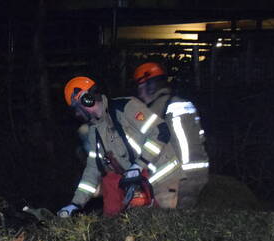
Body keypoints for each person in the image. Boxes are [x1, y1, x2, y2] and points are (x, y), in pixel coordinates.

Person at [58, 76, 169, 217]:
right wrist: (75, 204)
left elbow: (160, 131)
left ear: (85, 100)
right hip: (143, 180)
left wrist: (139, 165)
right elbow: (93, 169)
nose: (76, 113)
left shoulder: (125, 107)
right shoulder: (95, 130)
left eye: (76, 108)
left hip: (162, 176)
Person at [133, 62, 209, 208]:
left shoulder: (155, 110)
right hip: (198, 174)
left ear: (150, 85)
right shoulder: (184, 103)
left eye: (140, 87)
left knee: (166, 224)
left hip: (175, 179)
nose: (139, 93)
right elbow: (200, 138)